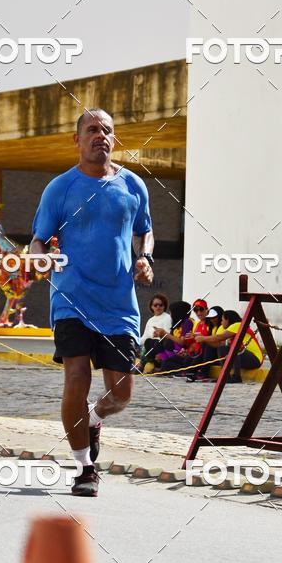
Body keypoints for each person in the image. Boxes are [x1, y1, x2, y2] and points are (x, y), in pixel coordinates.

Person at [29, 108, 154, 497]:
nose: (100, 136)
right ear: (77, 139)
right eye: (92, 130)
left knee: (120, 393)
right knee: (76, 379)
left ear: (114, 139)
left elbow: (145, 232)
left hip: (118, 304)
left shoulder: (133, 185)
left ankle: (95, 419)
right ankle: (85, 467)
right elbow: (38, 239)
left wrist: (145, 257)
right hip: (71, 298)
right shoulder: (60, 188)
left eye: (107, 131)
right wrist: (38, 257)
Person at [195, 309, 264, 382]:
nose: (221, 323)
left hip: (255, 359)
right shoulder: (227, 328)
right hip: (243, 357)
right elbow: (218, 343)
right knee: (222, 348)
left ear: (228, 320)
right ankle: (225, 376)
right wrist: (204, 340)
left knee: (234, 349)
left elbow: (219, 337)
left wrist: (203, 338)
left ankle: (237, 377)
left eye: (222, 320)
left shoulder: (238, 325)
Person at [153, 300, 194, 373]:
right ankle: (163, 364)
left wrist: (166, 334)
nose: (170, 314)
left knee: (168, 343)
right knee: (156, 343)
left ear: (177, 312)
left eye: (171, 312)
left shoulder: (187, 322)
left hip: (183, 353)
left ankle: (165, 366)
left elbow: (182, 342)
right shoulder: (177, 324)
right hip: (173, 351)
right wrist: (160, 334)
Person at [186, 305, 224, 382]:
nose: (212, 320)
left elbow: (219, 342)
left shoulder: (222, 327)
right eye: (211, 318)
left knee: (207, 345)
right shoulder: (213, 328)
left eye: (214, 317)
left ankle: (203, 371)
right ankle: (192, 370)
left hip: (221, 355)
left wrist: (204, 339)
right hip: (214, 355)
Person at [139, 293, 171, 367]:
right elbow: (144, 337)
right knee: (146, 342)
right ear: (151, 307)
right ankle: (146, 363)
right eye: (155, 305)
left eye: (161, 305)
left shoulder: (167, 317)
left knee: (150, 342)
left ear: (164, 306)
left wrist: (159, 334)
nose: (158, 307)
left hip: (161, 346)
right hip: (150, 346)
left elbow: (168, 335)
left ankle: (149, 362)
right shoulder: (150, 320)